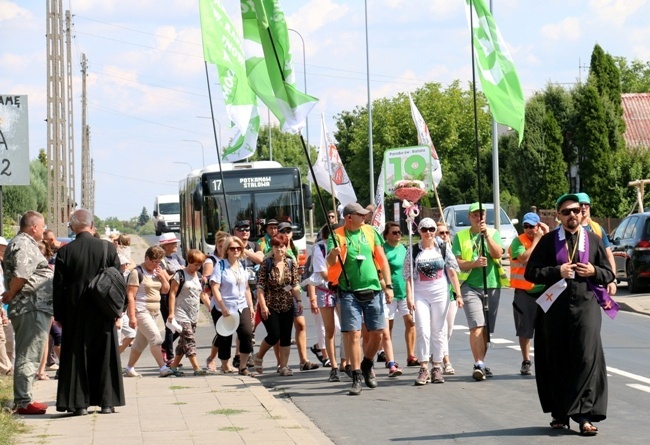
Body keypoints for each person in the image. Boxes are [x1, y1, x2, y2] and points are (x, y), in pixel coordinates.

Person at [525, 194, 615, 436]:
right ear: (558, 216)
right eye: (566, 212)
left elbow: (609, 274)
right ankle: (560, 412)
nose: (572, 215)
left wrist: (595, 270)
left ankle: (584, 416)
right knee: (558, 359)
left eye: (576, 210)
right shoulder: (548, 241)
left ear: (582, 212)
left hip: (586, 307)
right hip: (555, 310)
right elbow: (531, 273)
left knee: (586, 357)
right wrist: (557, 270)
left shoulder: (594, 240)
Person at [53, 209, 125, 415]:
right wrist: (118, 311)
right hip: (103, 309)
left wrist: (59, 316)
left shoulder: (65, 252)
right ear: (92, 225)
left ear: (72, 227)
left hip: (75, 311)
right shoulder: (107, 248)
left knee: (76, 356)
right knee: (105, 354)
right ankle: (107, 402)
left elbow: (58, 288)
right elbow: (119, 281)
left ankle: (78, 404)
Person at [327, 202, 394, 396]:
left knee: (378, 334)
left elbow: (382, 259)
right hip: (348, 292)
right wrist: (334, 253)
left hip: (373, 289)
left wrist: (388, 286)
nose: (365, 217)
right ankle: (356, 375)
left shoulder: (371, 232)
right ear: (349, 217)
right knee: (354, 334)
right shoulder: (337, 235)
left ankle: (367, 363)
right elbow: (330, 262)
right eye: (361, 215)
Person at [1, 211, 53, 415]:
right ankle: (23, 401)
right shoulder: (23, 244)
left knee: (30, 352)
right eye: (42, 226)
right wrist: (11, 292)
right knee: (29, 352)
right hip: (29, 306)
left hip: (33, 305)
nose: (43, 229)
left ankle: (24, 397)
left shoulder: (24, 243)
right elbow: (21, 274)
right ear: (33, 227)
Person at [451, 202, 505, 381]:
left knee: (487, 331)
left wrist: (488, 236)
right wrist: (473, 264)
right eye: (474, 214)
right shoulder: (460, 236)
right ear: (469, 217)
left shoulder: (494, 233)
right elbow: (456, 262)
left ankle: (481, 362)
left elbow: (498, 254)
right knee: (477, 326)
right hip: (470, 286)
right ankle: (478, 363)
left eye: (481, 214)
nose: (478, 217)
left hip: (492, 285)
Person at [405, 218, 462, 385]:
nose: (428, 232)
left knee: (438, 331)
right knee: (422, 329)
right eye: (424, 229)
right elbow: (408, 276)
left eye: (431, 229)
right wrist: (409, 297)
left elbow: (452, 273)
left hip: (440, 294)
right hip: (420, 294)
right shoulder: (414, 250)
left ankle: (436, 366)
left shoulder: (443, 248)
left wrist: (458, 294)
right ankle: (423, 367)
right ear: (419, 231)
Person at [123, 246, 176, 378]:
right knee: (155, 338)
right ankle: (163, 367)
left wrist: (162, 277)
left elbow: (165, 290)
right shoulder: (137, 272)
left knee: (140, 343)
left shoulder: (159, 270)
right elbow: (130, 295)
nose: (156, 264)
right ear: (146, 258)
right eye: (154, 261)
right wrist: (132, 316)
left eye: (159, 262)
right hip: (141, 310)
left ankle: (129, 368)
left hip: (154, 312)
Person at [253, 234, 302, 376]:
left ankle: (283, 366)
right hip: (270, 303)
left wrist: (298, 300)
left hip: (287, 303)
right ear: (272, 248)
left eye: (281, 246)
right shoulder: (266, 263)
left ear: (286, 247)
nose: (279, 249)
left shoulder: (291, 262)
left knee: (286, 336)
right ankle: (259, 356)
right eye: (276, 246)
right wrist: (263, 306)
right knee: (274, 334)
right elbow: (260, 286)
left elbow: (294, 284)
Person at [509, 212, 549, 376]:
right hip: (525, 291)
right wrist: (538, 240)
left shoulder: (547, 240)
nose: (528, 230)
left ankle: (545, 360)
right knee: (525, 329)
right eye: (525, 226)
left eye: (532, 226)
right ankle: (526, 360)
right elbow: (525, 258)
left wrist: (547, 235)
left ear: (538, 226)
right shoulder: (518, 241)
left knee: (546, 329)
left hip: (545, 291)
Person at [209, 237, 255, 375]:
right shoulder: (220, 265)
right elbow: (215, 288)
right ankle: (225, 365)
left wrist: (251, 306)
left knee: (246, 334)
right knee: (225, 337)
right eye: (232, 248)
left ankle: (243, 366)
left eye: (238, 248)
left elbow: (246, 288)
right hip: (224, 306)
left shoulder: (242, 265)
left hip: (241, 305)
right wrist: (222, 307)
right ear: (226, 250)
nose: (236, 250)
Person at [277, 221, 319, 372]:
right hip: (279, 294)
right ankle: (280, 363)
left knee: (301, 324)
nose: (287, 234)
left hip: (295, 291)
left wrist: (299, 273)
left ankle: (304, 360)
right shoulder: (275, 248)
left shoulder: (294, 248)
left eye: (289, 231)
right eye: (284, 231)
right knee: (282, 329)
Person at [308, 224, 344, 382]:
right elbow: (323, 272)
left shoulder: (344, 245)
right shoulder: (319, 249)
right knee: (329, 330)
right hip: (326, 291)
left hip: (342, 291)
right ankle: (334, 366)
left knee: (347, 328)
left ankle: (345, 362)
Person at [167, 249, 211, 376]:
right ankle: (196, 368)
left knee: (183, 342)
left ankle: (173, 366)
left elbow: (202, 294)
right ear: (189, 262)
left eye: (199, 265)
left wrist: (210, 308)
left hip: (193, 314)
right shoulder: (179, 275)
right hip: (181, 312)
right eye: (195, 264)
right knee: (189, 339)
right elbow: (172, 294)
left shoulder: (199, 277)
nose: (197, 267)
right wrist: (171, 313)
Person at [576, 193, 617, 296]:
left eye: (587, 204)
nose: (584, 207)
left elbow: (608, 255)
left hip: (593, 284)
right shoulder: (564, 229)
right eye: (581, 204)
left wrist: (612, 280)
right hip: (572, 284)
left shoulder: (597, 229)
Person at [158, 232, 186, 365]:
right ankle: (170, 357)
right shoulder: (161, 261)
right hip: (166, 296)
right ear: (166, 245)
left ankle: (163, 346)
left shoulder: (176, 257)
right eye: (173, 243)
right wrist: (178, 273)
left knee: (180, 326)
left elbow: (184, 271)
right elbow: (167, 278)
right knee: (170, 326)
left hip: (178, 295)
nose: (176, 245)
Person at [438, 222, 457, 375]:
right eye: (441, 233)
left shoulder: (448, 250)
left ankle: (437, 351)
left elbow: (454, 273)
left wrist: (459, 294)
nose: (444, 236)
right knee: (442, 330)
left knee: (448, 330)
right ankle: (446, 361)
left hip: (450, 295)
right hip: (436, 296)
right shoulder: (431, 251)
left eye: (446, 233)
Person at [0, 236, 13, 376]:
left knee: (6, 338)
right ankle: (6, 368)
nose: (4, 252)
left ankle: (7, 366)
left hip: (3, 305)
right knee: (1, 337)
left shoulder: (2, 264)